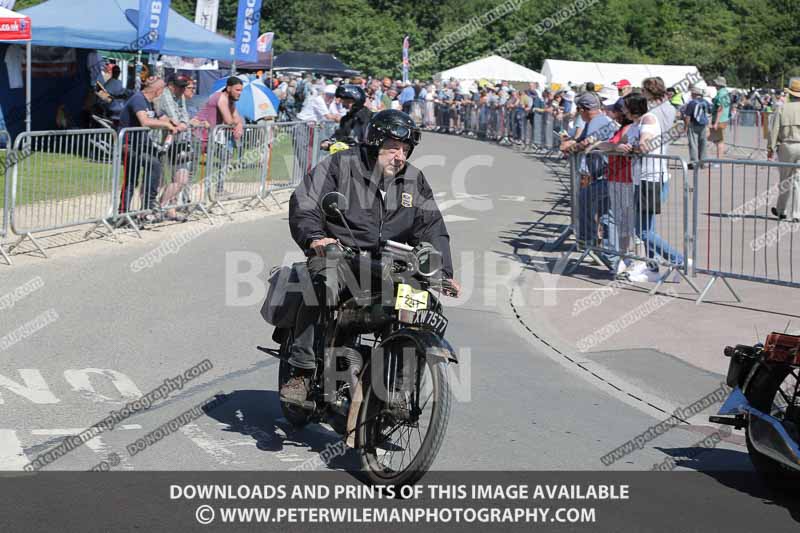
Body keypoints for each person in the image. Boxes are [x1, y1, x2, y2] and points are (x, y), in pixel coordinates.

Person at [282, 110, 462, 405]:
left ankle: (399, 392)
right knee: (322, 284)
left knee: (420, 301)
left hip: (388, 265)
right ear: (375, 142)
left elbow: (432, 228)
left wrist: (443, 272)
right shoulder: (343, 164)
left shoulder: (414, 181)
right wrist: (316, 237)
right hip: (338, 254)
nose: (400, 156)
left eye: (405, 150)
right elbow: (306, 200)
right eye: (393, 147)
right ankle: (301, 371)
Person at [116, 77, 178, 223]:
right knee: (133, 178)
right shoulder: (138, 99)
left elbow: (158, 115)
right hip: (129, 145)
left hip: (141, 145)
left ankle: (147, 206)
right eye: (162, 91)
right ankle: (124, 212)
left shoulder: (149, 102)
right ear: (159, 90)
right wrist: (166, 126)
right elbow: (145, 121)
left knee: (154, 165)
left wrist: (170, 121)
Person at [769, 78, 800, 223]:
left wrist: (770, 147)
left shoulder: (782, 108)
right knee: (798, 181)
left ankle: (781, 210)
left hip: (787, 145)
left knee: (785, 179)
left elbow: (774, 130)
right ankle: (797, 213)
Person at [681, 84, 711, 169]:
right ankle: (703, 162)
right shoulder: (705, 102)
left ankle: (694, 162)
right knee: (703, 143)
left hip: (693, 124)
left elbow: (688, 116)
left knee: (693, 144)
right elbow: (709, 113)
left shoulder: (691, 103)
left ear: (694, 94)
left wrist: (686, 127)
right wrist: (708, 125)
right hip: (703, 124)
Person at [710, 76, 731, 163]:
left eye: (716, 83)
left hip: (720, 120)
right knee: (719, 140)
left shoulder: (721, 94)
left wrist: (716, 122)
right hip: (724, 119)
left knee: (719, 141)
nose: (715, 85)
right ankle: (719, 159)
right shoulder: (725, 93)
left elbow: (720, 108)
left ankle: (719, 160)